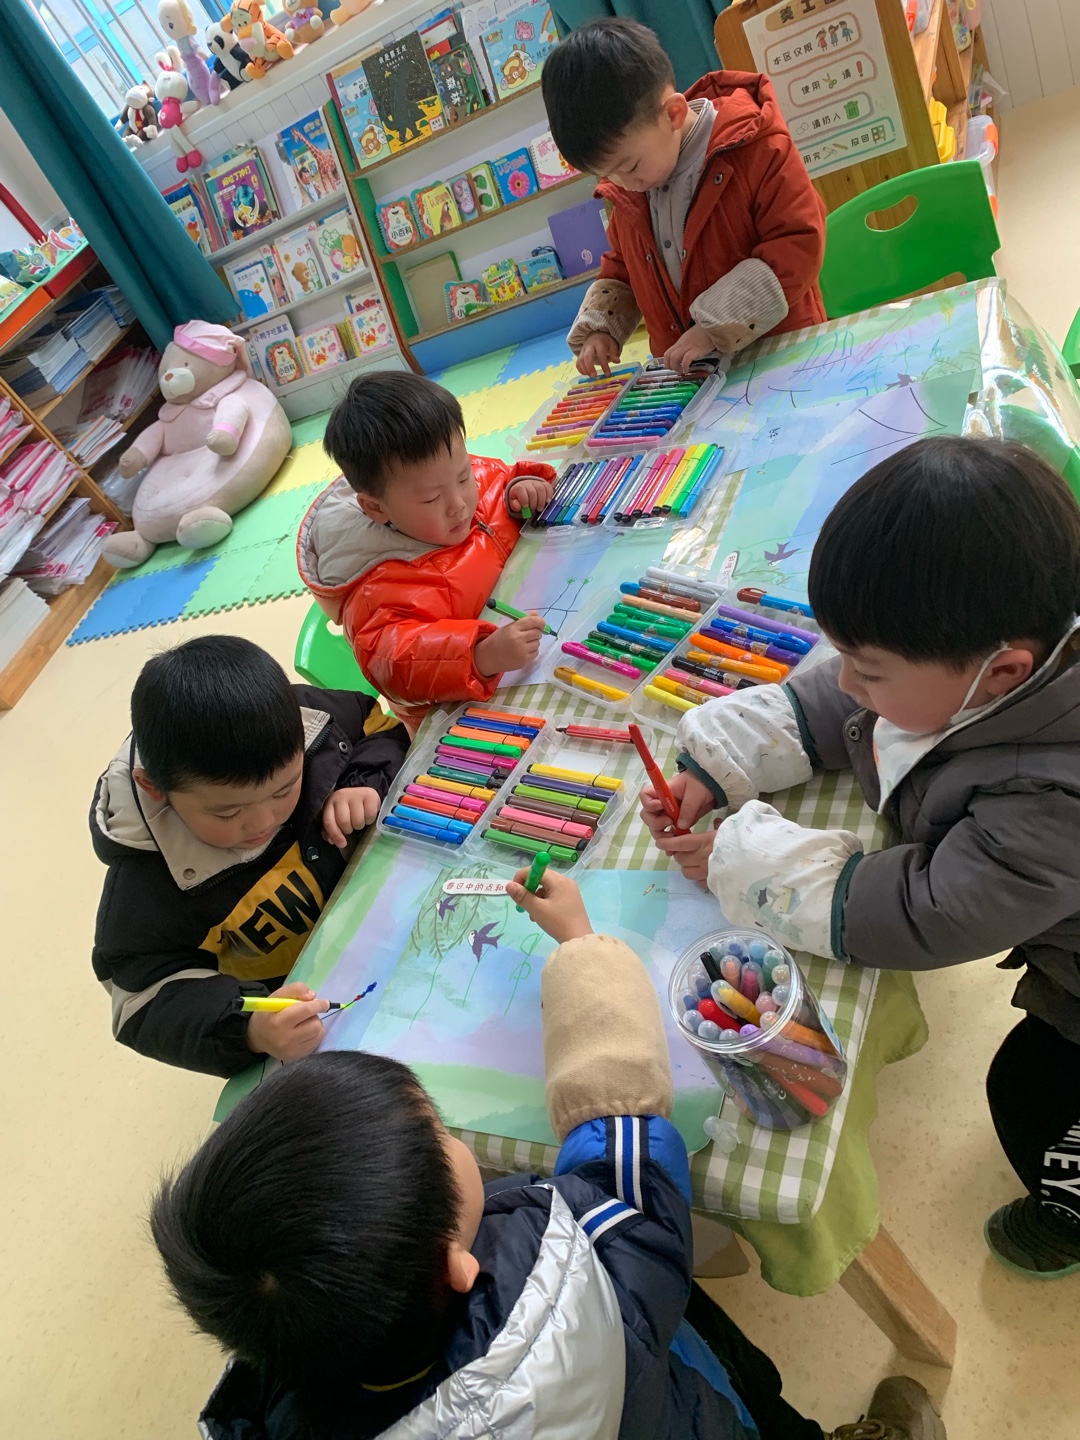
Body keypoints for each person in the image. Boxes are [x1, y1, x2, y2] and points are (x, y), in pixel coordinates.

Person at [150, 868, 944, 1440]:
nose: (449, 1135)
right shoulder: (585, 1274)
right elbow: (623, 1137)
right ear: (457, 1266)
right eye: (440, 1135)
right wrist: (583, 947)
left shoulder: (285, 1380)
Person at [640, 436, 1080, 1279]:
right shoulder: (987, 653)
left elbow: (926, 913)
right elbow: (849, 708)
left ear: (1002, 673)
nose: (846, 682)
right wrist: (722, 762)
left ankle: (1067, 1213)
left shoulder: (1054, 800)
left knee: (1033, 1097)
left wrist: (750, 863)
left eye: (869, 670)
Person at [90, 635, 410, 1076]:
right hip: (314, 1008)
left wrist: (364, 780)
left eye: (285, 789)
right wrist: (251, 1029)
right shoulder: (146, 883)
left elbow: (377, 726)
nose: (264, 821)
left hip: (389, 921)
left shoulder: (308, 720)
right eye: (227, 812)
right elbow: (140, 1003)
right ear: (154, 788)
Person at [541, 18, 826, 377]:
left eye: (630, 166)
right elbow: (625, 263)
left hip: (779, 359)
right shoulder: (633, 183)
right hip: (692, 375)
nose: (624, 184)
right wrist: (601, 327)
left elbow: (798, 243)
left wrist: (712, 328)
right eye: (607, 174)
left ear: (673, 114)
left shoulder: (758, 148)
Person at [298, 372, 556, 729]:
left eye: (463, 477)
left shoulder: (445, 472)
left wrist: (522, 488)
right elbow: (397, 665)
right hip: (460, 715)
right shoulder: (375, 592)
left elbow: (497, 480)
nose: (459, 504)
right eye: (432, 498)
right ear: (376, 509)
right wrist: (481, 655)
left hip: (539, 624)